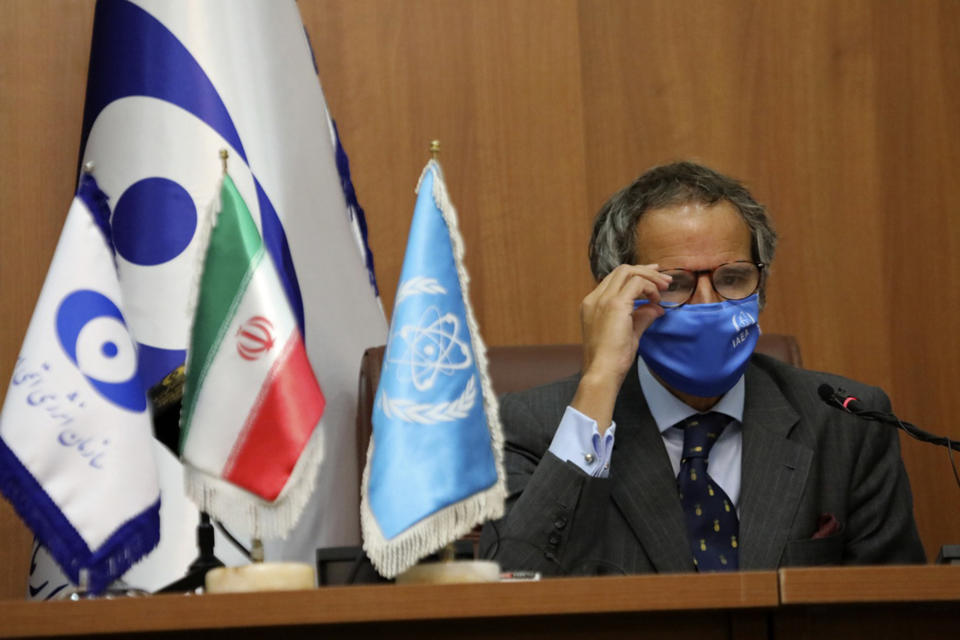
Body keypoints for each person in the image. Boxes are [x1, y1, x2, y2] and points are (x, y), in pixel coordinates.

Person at [480, 161, 925, 574]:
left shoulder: (847, 422)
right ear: (617, 295)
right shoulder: (530, 428)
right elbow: (515, 587)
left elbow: (894, 614)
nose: (710, 304)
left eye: (732, 278)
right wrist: (599, 382)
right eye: (675, 284)